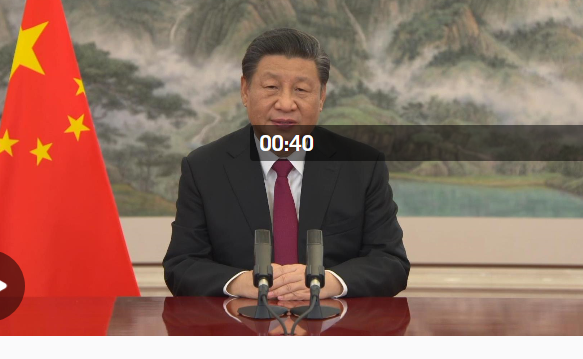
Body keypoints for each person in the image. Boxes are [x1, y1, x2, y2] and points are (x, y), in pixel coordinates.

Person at [163, 28, 409, 299]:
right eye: (271, 87)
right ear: (245, 90)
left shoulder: (361, 165)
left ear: (322, 97)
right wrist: (239, 283)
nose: (286, 104)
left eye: (301, 90)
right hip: (240, 321)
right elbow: (182, 265)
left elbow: (391, 263)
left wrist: (330, 282)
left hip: (333, 321)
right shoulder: (204, 167)